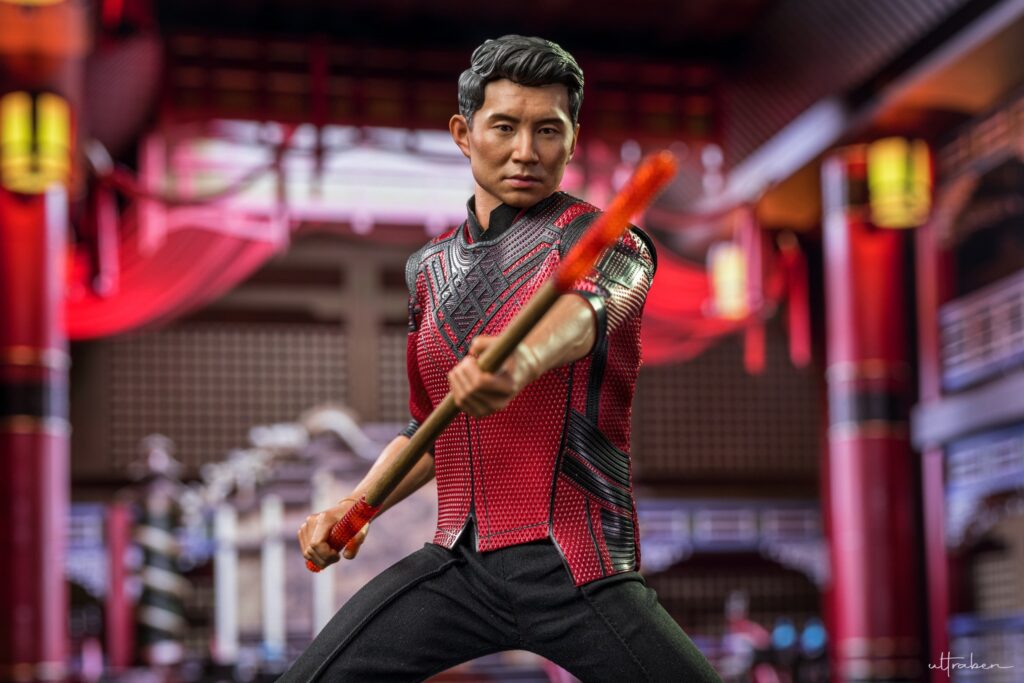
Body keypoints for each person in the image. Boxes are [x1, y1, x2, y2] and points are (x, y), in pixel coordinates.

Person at [283, 35, 722, 682]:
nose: (526, 151)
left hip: (578, 562)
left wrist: (518, 366)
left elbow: (583, 314)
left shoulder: (610, 241)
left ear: (572, 140)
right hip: (458, 563)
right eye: (505, 127)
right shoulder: (428, 270)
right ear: (464, 134)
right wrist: (356, 506)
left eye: (548, 129)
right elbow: (429, 428)